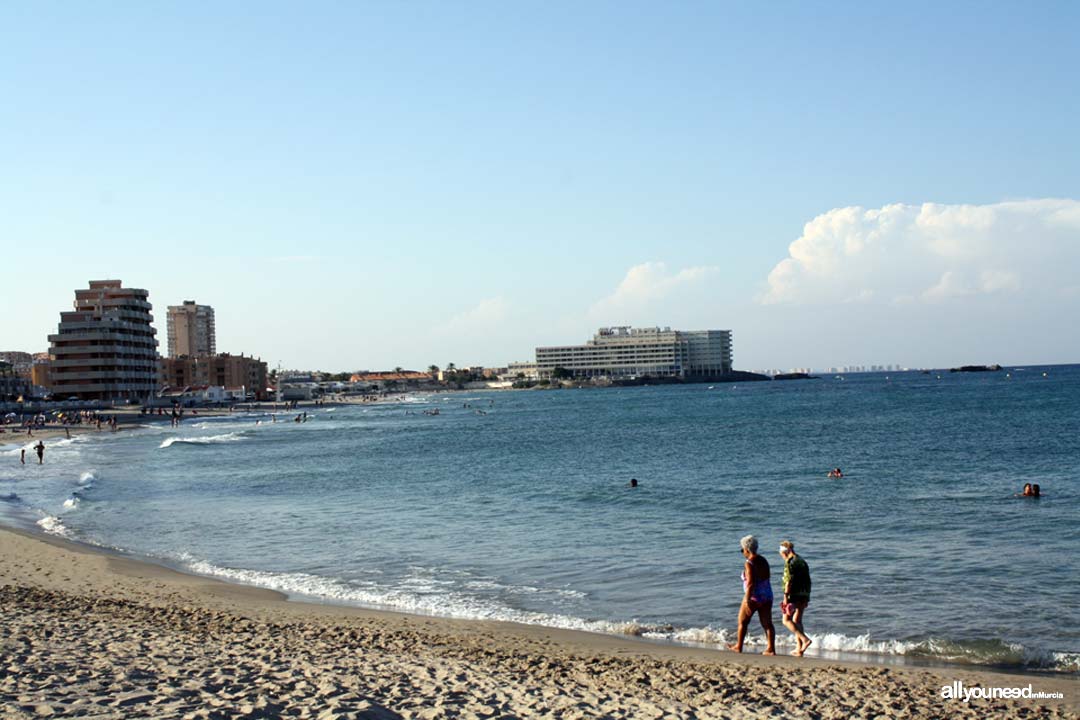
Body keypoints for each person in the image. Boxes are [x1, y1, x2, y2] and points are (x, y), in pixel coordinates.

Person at [727, 534, 776, 655]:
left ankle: (739, 646)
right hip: (767, 595)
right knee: (767, 623)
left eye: (742, 550)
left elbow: (750, 583)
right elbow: (766, 577)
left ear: (747, 549)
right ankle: (771, 648)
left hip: (754, 596)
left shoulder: (749, 563)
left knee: (742, 621)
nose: (742, 552)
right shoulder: (764, 560)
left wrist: (748, 599)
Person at [779, 541, 813, 656]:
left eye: (781, 553)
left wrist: (785, 597)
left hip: (793, 595)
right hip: (804, 593)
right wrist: (807, 596)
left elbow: (789, 581)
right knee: (797, 621)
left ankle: (805, 640)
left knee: (786, 620)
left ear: (785, 552)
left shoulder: (790, 563)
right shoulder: (802, 561)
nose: (781, 556)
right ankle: (799, 649)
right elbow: (808, 579)